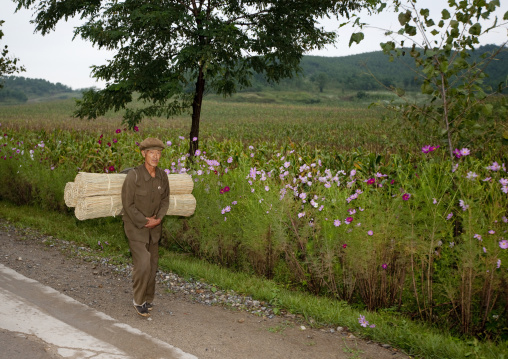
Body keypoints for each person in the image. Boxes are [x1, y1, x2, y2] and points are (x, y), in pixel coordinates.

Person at [121, 137, 170, 317]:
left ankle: (149, 299)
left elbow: (165, 200)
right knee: (143, 263)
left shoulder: (162, 176)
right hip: (135, 227)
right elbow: (128, 204)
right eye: (152, 153)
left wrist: (159, 219)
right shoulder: (133, 176)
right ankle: (138, 300)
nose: (155, 156)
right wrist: (144, 220)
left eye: (158, 153)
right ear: (143, 154)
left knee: (152, 263)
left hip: (154, 228)